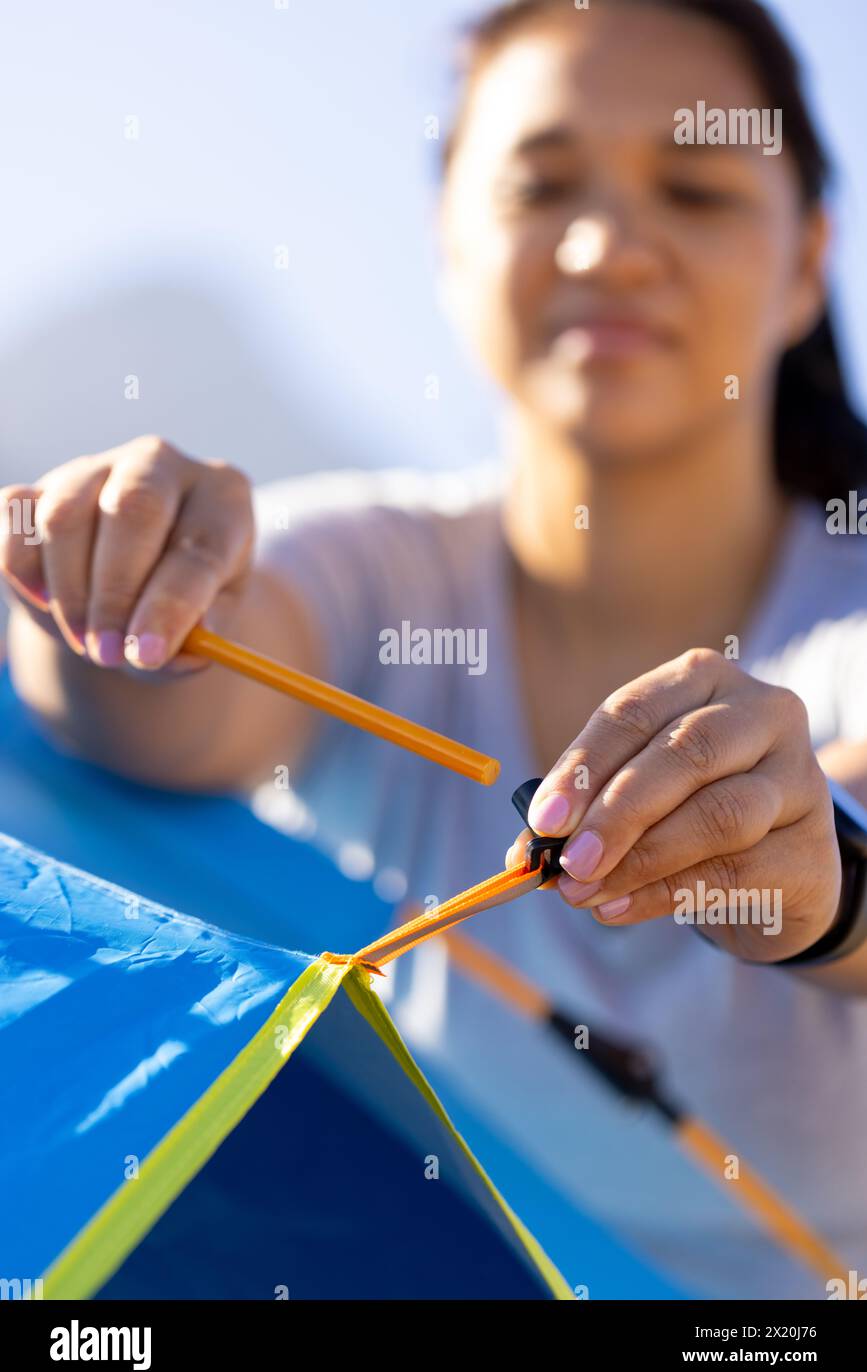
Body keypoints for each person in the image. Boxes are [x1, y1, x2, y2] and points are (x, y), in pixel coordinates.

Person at [2, 0, 866, 1298]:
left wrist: (826, 873)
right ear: (449, 244)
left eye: (692, 190)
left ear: (809, 262)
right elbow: (171, 697)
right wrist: (119, 584)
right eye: (543, 183)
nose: (609, 245)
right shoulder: (379, 565)